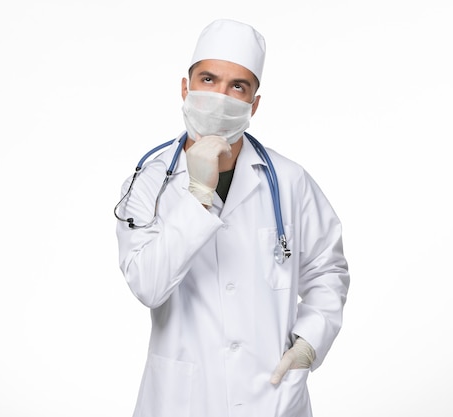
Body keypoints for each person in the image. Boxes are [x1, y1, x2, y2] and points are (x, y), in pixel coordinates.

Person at [114, 18, 349, 417]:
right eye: (208, 79)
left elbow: (327, 271)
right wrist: (197, 196)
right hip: (182, 398)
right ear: (185, 88)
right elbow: (148, 287)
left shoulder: (289, 181)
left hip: (271, 395)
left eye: (237, 86)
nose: (220, 96)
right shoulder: (148, 185)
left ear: (254, 103)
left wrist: (309, 342)